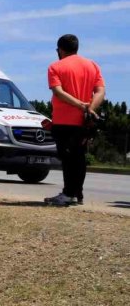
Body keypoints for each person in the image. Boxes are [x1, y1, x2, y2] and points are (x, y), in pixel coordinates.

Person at [44, 34, 105, 206]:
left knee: (68, 159)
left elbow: (58, 92)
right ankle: (78, 193)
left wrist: (79, 105)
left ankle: (68, 193)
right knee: (79, 157)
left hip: (63, 120)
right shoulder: (92, 66)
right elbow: (100, 91)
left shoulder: (55, 67)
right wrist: (90, 108)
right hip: (84, 122)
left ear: (60, 50)